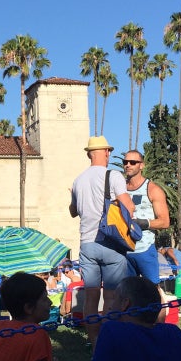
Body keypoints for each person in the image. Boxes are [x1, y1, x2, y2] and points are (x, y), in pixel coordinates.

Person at [70, 135, 135, 343]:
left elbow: (73, 211)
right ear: (106, 152)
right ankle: (108, 341)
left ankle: (93, 341)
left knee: (90, 297)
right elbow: (128, 207)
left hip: (87, 243)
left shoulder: (78, 180)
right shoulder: (113, 175)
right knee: (110, 297)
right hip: (109, 242)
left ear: (89, 154)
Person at [122, 149, 170, 283]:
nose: (128, 165)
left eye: (133, 162)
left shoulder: (153, 189)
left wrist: (143, 223)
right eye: (125, 162)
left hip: (144, 249)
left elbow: (165, 222)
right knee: (127, 293)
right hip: (124, 251)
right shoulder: (120, 188)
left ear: (141, 165)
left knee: (152, 291)